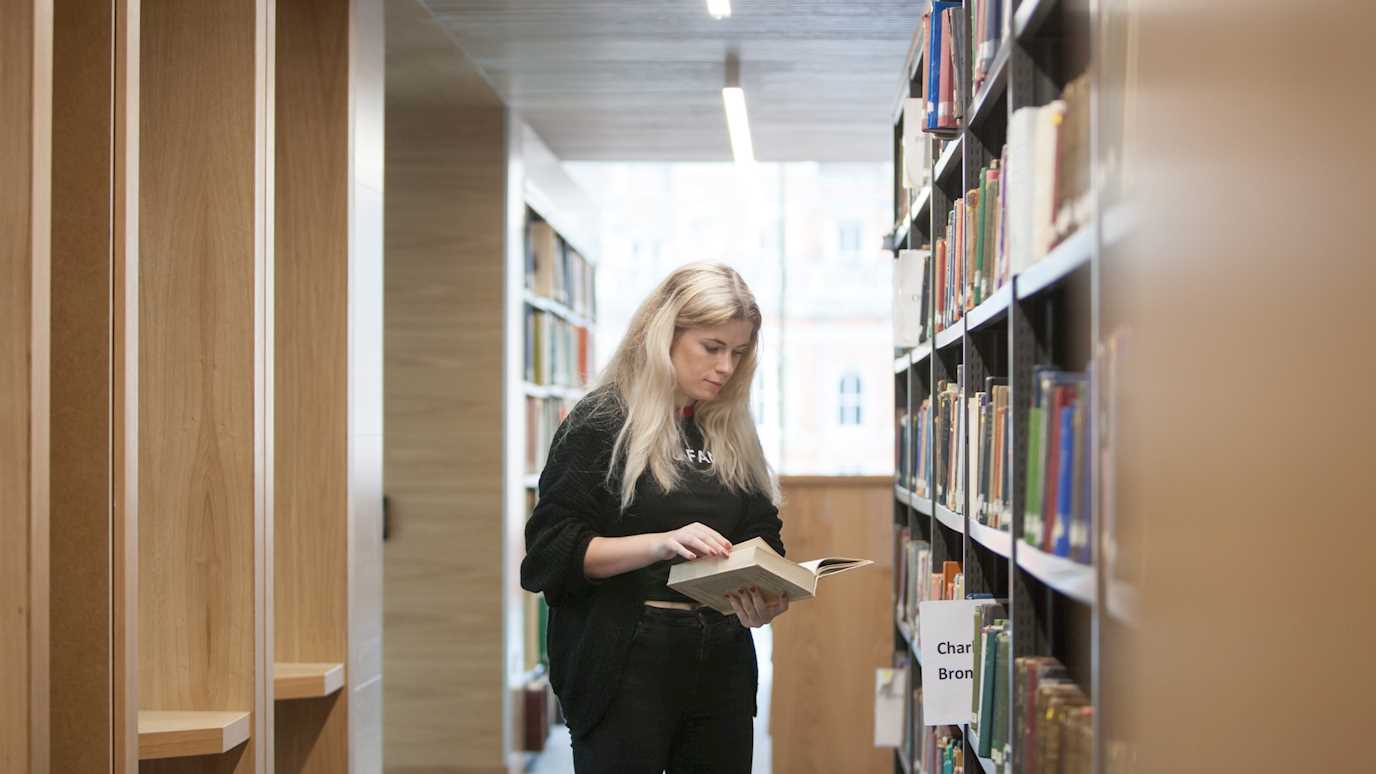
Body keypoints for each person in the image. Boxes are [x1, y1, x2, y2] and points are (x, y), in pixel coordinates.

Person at [520, 262, 788, 773]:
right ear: (665, 334)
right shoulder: (602, 423)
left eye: (738, 351)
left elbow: (762, 533)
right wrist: (661, 543)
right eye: (712, 348)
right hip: (625, 659)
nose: (726, 366)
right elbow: (549, 554)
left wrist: (765, 595)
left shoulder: (730, 430)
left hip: (722, 660)